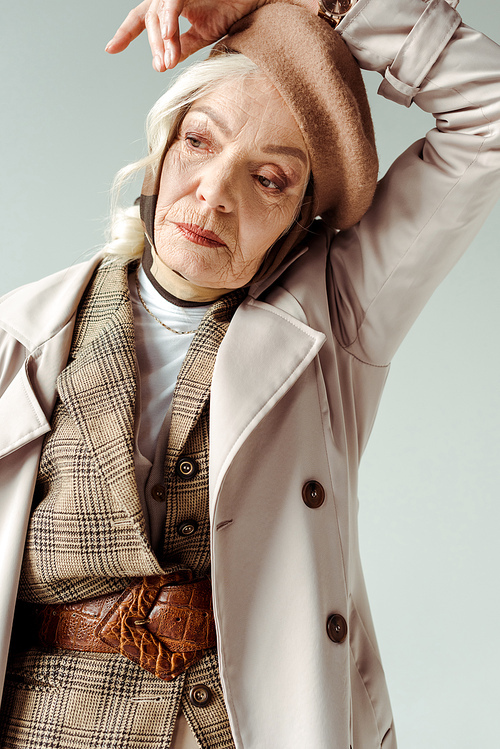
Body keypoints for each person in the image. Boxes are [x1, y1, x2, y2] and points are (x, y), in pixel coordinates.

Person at [0, 0, 498, 747]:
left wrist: (317, 4)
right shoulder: (21, 337)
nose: (215, 191)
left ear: (301, 220)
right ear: (163, 147)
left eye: (268, 179)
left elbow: (489, 110)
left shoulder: (337, 320)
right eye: (200, 141)